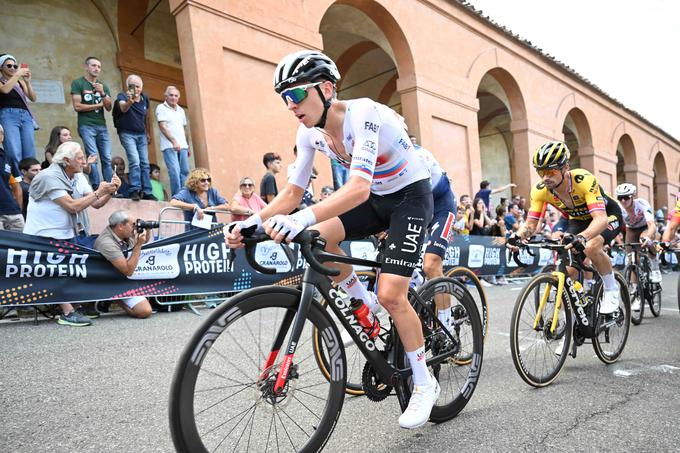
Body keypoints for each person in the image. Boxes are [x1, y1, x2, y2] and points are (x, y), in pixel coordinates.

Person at [227, 50, 438, 429]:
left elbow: (356, 188)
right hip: (376, 198)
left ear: (325, 89)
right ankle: (364, 306)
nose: (290, 106)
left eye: (295, 95)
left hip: (410, 196)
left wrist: (300, 219)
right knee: (318, 239)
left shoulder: (364, 114)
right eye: (283, 98)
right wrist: (252, 223)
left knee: (392, 294)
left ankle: (424, 382)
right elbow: (291, 194)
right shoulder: (308, 133)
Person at [508, 141, 623, 316]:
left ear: (565, 167)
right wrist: (517, 237)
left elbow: (600, 219)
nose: (545, 177)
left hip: (606, 215)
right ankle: (576, 313)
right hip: (577, 219)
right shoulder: (540, 190)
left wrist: (583, 237)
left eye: (551, 171)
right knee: (566, 271)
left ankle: (611, 289)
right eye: (541, 172)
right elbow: (531, 225)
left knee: (592, 246)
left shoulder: (583, 180)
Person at [24, 141, 119, 326]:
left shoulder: (77, 176)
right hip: (43, 233)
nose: (84, 162)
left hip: (67, 231)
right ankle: (67, 312)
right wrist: (100, 191)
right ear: (67, 160)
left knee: (69, 271)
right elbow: (72, 206)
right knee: (54, 272)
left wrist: (111, 191)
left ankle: (75, 306)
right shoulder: (48, 176)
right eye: (80, 158)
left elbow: (96, 203)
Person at [94, 210, 153, 318]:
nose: (135, 227)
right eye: (133, 225)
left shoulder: (124, 234)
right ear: (120, 226)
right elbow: (128, 271)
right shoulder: (106, 242)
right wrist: (138, 245)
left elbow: (143, 242)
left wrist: (147, 230)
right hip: (113, 282)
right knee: (144, 311)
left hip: (126, 279)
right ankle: (115, 298)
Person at [71, 56, 112, 188]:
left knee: (107, 158)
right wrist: (98, 105)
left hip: (102, 126)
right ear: (86, 67)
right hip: (86, 125)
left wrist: (102, 93)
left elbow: (108, 107)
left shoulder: (103, 86)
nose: (96, 69)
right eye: (93, 65)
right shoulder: (78, 83)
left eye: (99, 67)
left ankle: (110, 187)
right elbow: (77, 106)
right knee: (92, 157)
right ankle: (96, 186)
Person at [113, 74, 154, 201]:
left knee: (145, 163)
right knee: (135, 161)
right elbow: (123, 108)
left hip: (141, 134)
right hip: (127, 133)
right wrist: (130, 101)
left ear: (141, 87)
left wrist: (147, 132)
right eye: (132, 86)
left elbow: (146, 116)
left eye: (138, 86)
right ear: (127, 86)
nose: (135, 89)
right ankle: (134, 190)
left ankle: (147, 191)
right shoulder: (123, 96)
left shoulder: (144, 98)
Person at [615, 183, 661, 292]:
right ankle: (635, 290)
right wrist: (619, 242)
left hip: (645, 227)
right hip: (631, 229)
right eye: (620, 198)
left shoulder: (642, 204)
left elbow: (651, 225)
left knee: (644, 239)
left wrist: (648, 237)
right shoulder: (618, 208)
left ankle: (655, 267)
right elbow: (614, 227)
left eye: (626, 197)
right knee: (632, 260)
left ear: (633, 197)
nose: (623, 201)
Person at [171, 168, 247, 226]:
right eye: (203, 180)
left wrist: (212, 208)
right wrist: (194, 207)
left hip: (211, 232)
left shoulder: (212, 191)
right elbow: (173, 202)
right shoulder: (187, 191)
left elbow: (226, 206)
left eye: (208, 180)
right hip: (193, 233)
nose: (206, 182)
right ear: (195, 182)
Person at [0, 54, 37, 165]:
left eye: (15, 66)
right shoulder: (2, 81)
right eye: (9, 65)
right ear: (1, 67)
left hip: (25, 115)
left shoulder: (20, 83)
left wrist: (27, 82)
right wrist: (17, 74)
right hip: (8, 115)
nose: (13, 68)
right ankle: (17, 178)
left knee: (29, 150)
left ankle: (30, 178)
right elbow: (5, 90)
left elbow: (33, 98)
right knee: (13, 151)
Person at [156, 86, 190, 197]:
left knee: (184, 172)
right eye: (171, 95)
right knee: (175, 172)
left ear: (178, 97)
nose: (173, 97)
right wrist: (174, 141)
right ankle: (177, 197)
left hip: (183, 146)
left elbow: (184, 129)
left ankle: (185, 197)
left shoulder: (181, 110)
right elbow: (162, 126)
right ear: (165, 96)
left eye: (176, 95)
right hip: (169, 146)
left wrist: (187, 145)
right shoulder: (161, 108)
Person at [0, 124, 24, 231]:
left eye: (1, 133)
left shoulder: (7, 157)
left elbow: (17, 186)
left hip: (13, 212)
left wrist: (18, 208)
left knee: (22, 245)